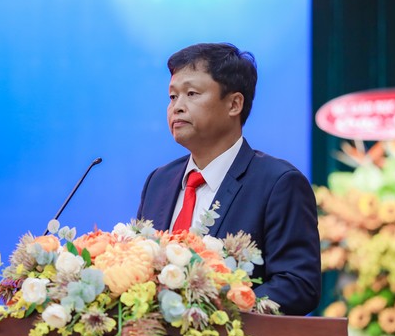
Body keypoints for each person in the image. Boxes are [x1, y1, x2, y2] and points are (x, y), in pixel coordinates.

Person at [136, 42, 321, 315]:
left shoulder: (278, 183)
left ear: (234, 104)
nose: (177, 107)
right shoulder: (159, 182)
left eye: (191, 93)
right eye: (173, 97)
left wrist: (217, 311)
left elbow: (298, 285)